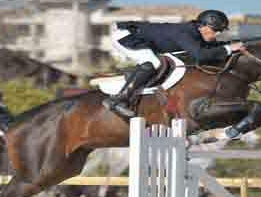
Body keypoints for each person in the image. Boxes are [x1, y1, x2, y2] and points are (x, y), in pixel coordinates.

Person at [102, 9, 245, 117]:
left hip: (140, 36)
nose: (217, 34)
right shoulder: (185, 33)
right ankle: (118, 99)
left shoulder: (195, 32)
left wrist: (230, 45)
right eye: (216, 30)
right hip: (127, 36)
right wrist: (227, 48)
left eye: (220, 31)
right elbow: (200, 55)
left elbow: (209, 47)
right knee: (153, 63)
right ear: (204, 26)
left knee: (154, 62)